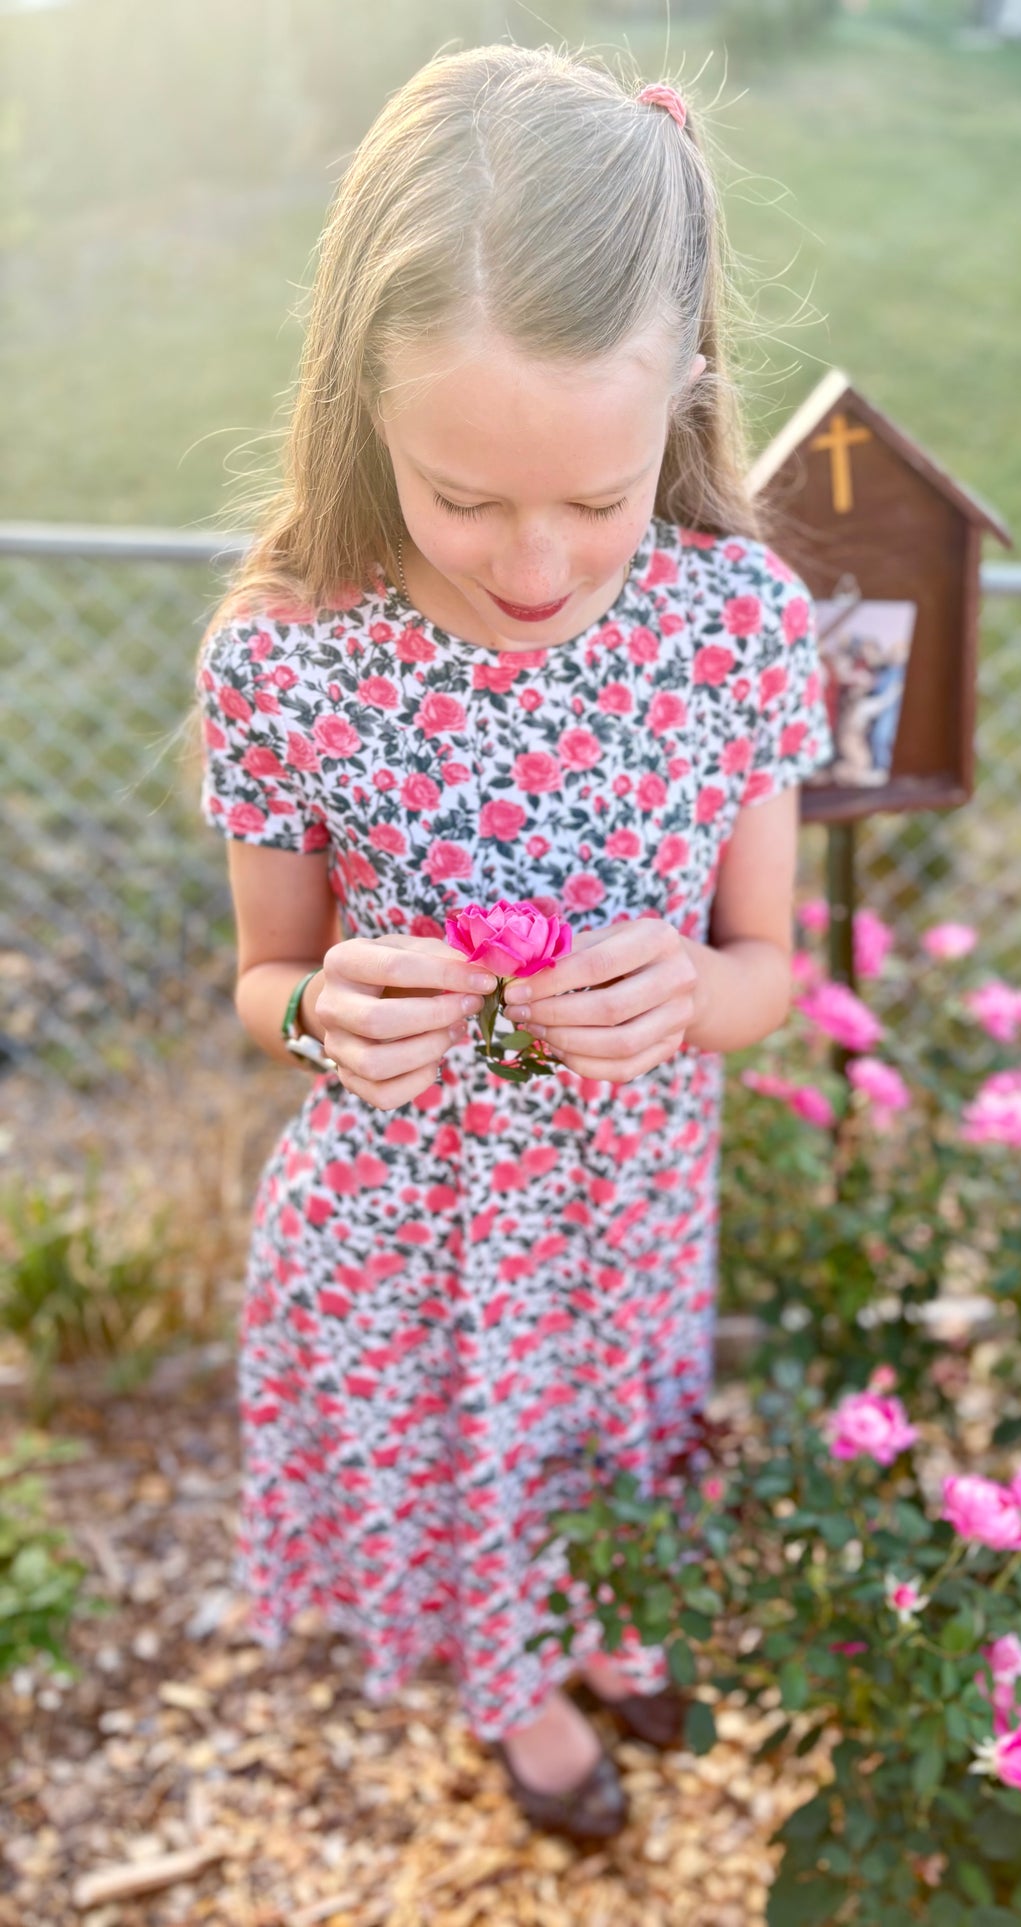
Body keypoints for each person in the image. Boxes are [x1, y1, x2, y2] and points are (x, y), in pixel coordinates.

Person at [191, 44, 832, 1844]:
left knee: (609, 1458)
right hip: (411, 1231)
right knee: (477, 1476)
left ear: (682, 393)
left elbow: (767, 965)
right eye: (461, 498)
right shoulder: (289, 659)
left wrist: (693, 988)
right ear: (356, 399)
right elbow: (263, 982)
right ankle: (513, 1687)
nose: (534, 562)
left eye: (595, 497)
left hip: (627, 1215)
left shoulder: (737, 630)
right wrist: (326, 1009)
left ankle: (599, 1626)